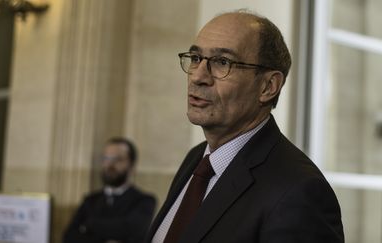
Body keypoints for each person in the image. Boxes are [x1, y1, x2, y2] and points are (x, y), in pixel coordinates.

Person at [146, 10, 344, 243]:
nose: (198, 76)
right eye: (196, 58)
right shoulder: (196, 159)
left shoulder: (299, 192)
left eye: (222, 62)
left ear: (268, 86)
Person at [63, 137, 156, 243]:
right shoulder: (90, 200)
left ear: (131, 165)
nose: (110, 165)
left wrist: (89, 225)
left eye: (118, 159)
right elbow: (69, 237)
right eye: (106, 158)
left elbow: (132, 231)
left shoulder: (144, 201)